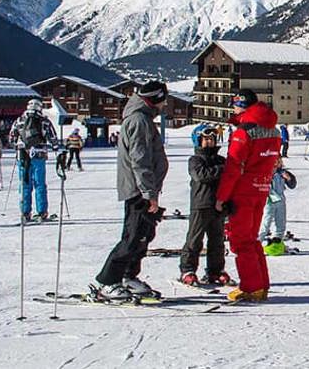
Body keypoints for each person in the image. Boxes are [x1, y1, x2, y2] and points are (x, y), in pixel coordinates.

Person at [94, 81, 170, 301]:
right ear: (154, 99)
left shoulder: (143, 118)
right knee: (132, 236)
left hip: (144, 188)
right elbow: (140, 160)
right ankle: (108, 281)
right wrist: (149, 193)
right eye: (163, 100)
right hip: (138, 189)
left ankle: (127, 276)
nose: (165, 104)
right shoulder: (139, 120)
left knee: (143, 236)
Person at [215, 89, 282, 302]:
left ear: (241, 104)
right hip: (261, 188)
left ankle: (251, 287)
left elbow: (234, 166)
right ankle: (260, 285)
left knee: (240, 240)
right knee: (252, 239)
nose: (232, 108)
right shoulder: (273, 130)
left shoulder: (244, 131)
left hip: (243, 190)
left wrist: (222, 196)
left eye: (234, 103)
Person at [180, 125, 230, 286]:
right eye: (205, 139)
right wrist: (222, 170)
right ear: (198, 141)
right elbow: (201, 175)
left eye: (211, 139)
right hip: (201, 204)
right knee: (195, 240)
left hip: (218, 205)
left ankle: (215, 271)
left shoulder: (220, 160)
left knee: (217, 240)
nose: (209, 142)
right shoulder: (195, 160)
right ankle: (188, 270)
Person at [8, 99, 61, 222]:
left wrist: (19, 146)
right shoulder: (44, 121)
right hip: (39, 154)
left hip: (23, 156)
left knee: (25, 184)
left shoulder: (19, 121)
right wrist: (55, 148)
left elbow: (11, 138)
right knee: (40, 184)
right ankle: (42, 211)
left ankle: (25, 212)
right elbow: (52, 137)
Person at [259, 157, 297, 245]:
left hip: (280, 201)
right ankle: (256, 243)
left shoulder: (282, 173)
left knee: (281, 223)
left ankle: (277, 242)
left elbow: (292, 185)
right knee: (265, 224)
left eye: (278, 161)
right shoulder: (264, 172)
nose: (276, 164)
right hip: (269, 202)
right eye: (274, 161)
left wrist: (289, 179)